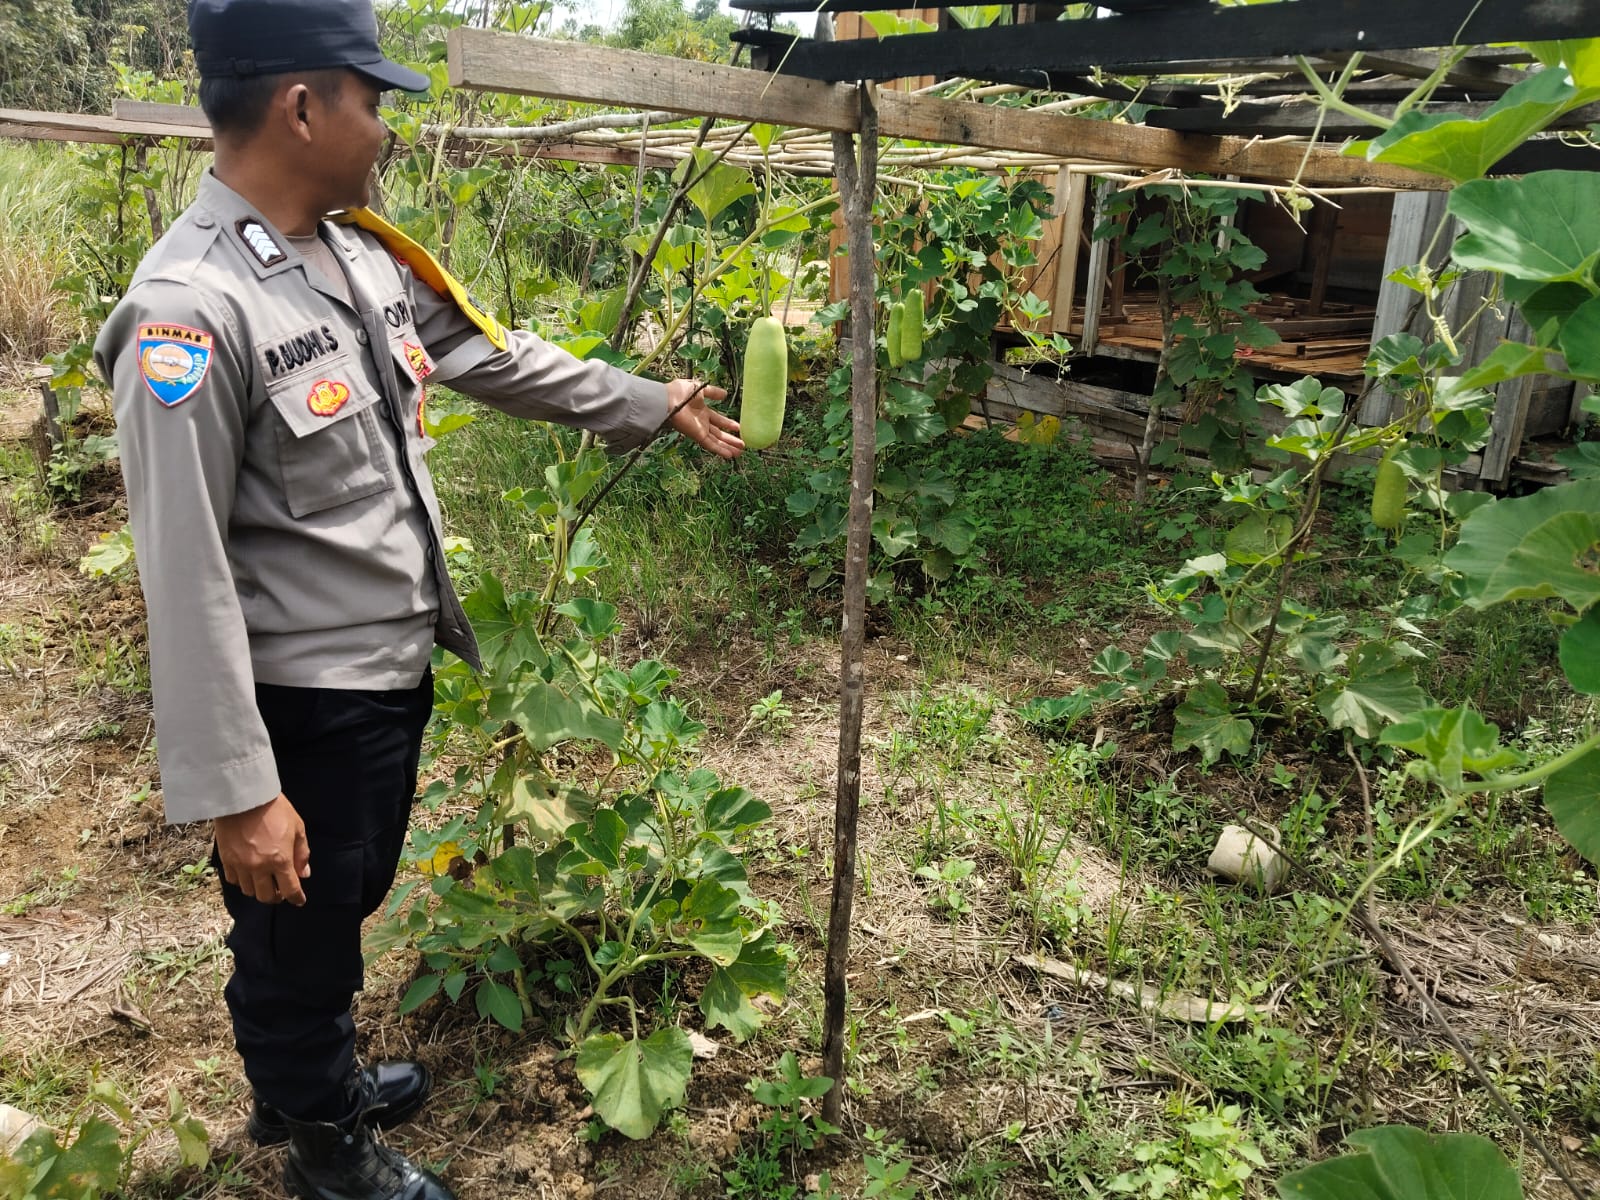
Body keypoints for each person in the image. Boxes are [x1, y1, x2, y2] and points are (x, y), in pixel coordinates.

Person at [93, 3, 743, 1197]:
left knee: (339, 900)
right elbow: (181, 579)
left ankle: (301, 1080)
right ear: (302, 106)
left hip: (383, 679)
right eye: (371, 100)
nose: (386, 129)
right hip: (300, 699)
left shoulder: (357, 255)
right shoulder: (190, 311)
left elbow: (492, 354)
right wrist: (241, 793)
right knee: (299, 930)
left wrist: (646, 399)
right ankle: (323, 1143)